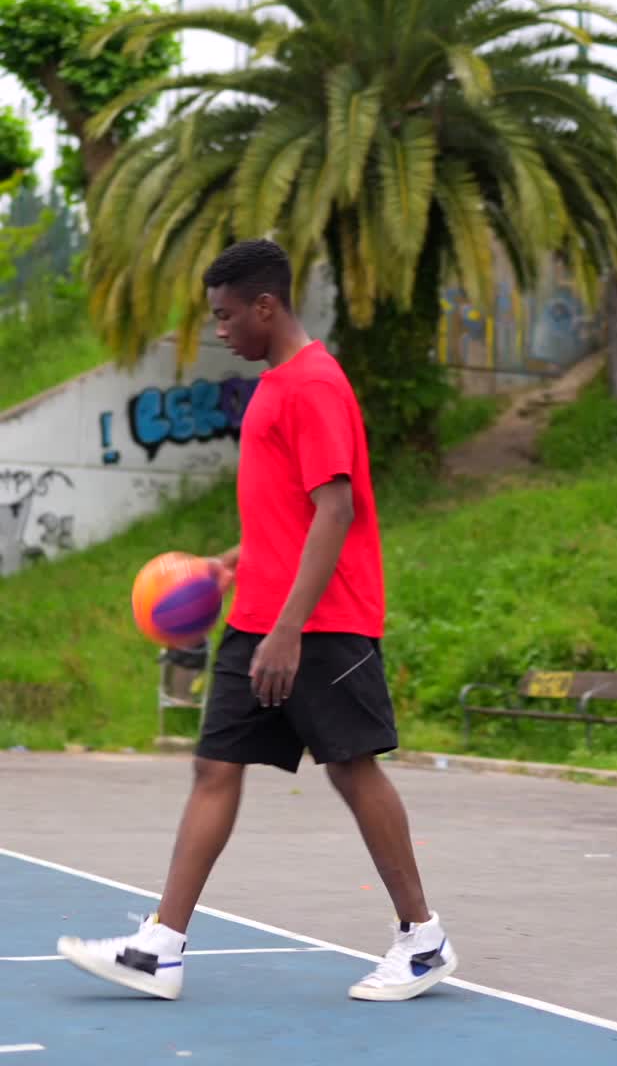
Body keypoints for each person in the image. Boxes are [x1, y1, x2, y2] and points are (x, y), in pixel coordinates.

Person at [58, 239, 457, 1003]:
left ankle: (422, 939)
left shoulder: (314, 386)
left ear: (265, 307)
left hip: (320, 621)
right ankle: (160, 947)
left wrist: (289, 628)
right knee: (215, 766)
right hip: (260, 617)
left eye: (226, 315)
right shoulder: (278, 385)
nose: (220, 330)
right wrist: (231, 564)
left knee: (350, 766)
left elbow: (336, 512)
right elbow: (296, 509)